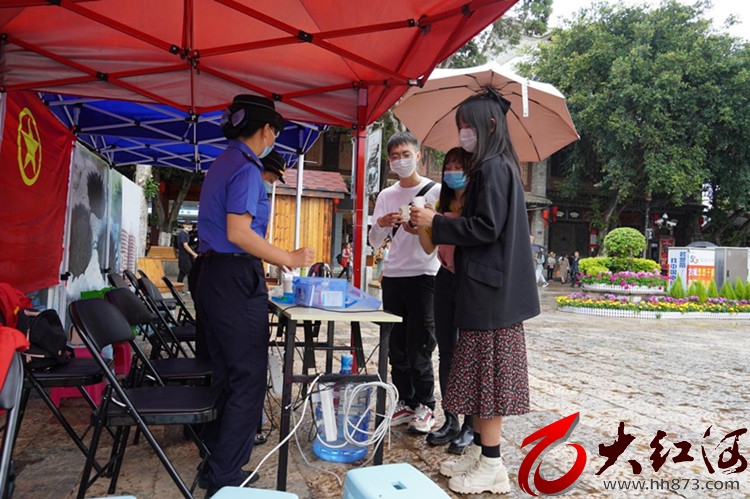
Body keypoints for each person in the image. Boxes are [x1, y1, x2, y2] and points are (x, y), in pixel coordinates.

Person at [410, 89, 540, 495]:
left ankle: (492, 465)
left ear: (487, 126)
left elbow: (486, 228)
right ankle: (484, 454)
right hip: (484, 290)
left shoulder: (494, 168)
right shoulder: (495, 167)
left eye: (467, 126)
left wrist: (436, 220)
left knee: (489, 382)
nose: (462, 134)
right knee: (481, 378)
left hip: (492, 295)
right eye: (459, 127)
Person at [193, 94, 314, 497]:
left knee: (225, 371)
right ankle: (226, 475)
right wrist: (289, 257)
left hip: (212, 274)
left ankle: (216, 459)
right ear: (266, 130)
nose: (273, 141)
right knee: (247, 377)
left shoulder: (222, 161)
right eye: (274, 134)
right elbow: (239, 233)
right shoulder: (246, 168)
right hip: (233, 276)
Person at [368, 131, 440, 434]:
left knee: (420, 344)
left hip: (425, 275)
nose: (400, 160)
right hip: (394, 276)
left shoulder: (435, 191)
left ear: (418, 155)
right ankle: (405, 401)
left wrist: (419, 224)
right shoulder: (386, 195)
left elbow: (438, 236)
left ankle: (426, 404)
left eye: (405, 154)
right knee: (396, 345)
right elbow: (374, 241)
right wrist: (382, 224)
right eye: (395, 156)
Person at [415, 147, 475, 453]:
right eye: (448, 165)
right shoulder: (442, 202)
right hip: (445, 279)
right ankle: (450, 419)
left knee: (469, 352)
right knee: (446, 352)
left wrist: (440, 219)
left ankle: (470, 425)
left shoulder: (478, 204)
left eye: (458, 165)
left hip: (469, 281)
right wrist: (420, 225)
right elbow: (429, 246)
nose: (452, 170)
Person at [177, 222, 198, 286]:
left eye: (191, 225)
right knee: (190, 272)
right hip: (184, 254)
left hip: (186, 254)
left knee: (182, 272)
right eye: (188, 225)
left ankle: (178, 286)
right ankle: (190, 288)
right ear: (184, 225)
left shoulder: (186, 234)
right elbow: (185, 245)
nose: (189, 226)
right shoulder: (182, 234)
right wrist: (194, 254)